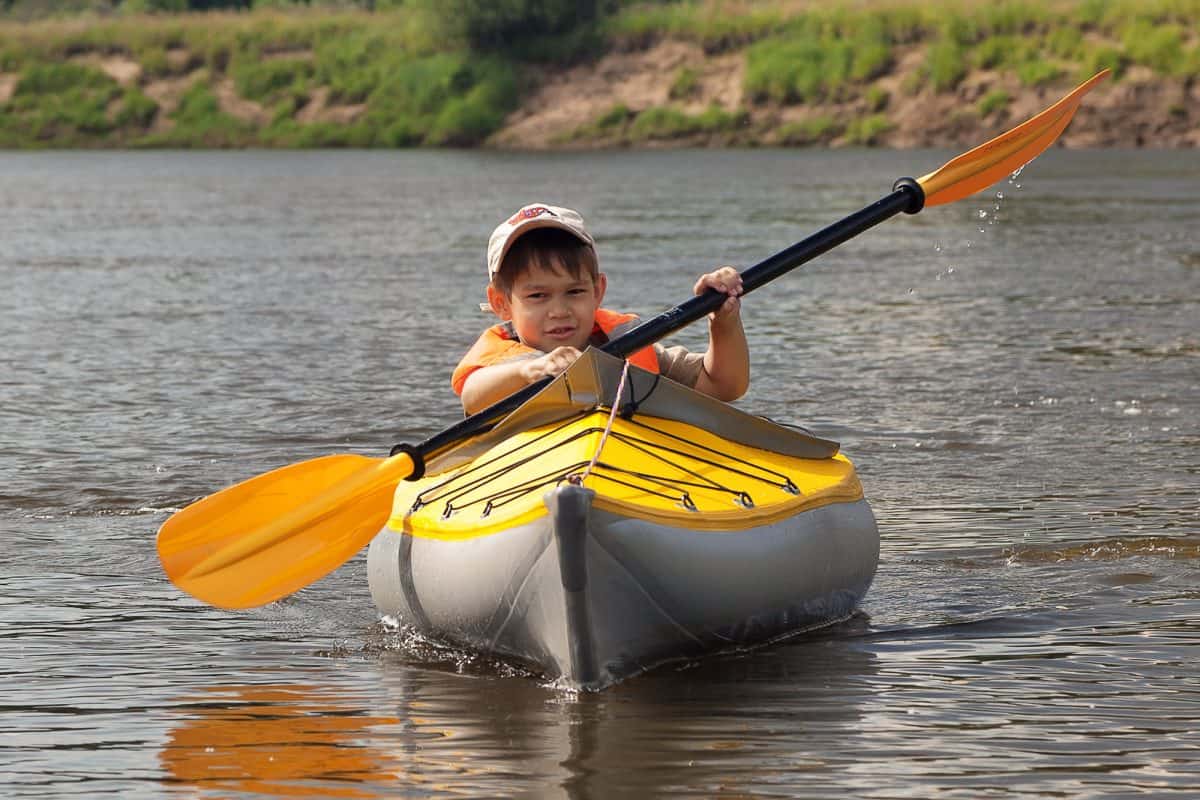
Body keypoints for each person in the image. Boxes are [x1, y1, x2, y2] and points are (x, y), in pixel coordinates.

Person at [452, 202, 749, 415]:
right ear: (501, 304)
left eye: (575, 291)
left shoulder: (624, 344)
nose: (559, 310)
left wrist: (723, 320)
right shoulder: (500, 364)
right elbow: (472, 396)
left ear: (598, 292)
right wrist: (533, 369)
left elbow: (724, 385)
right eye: (538, 296)